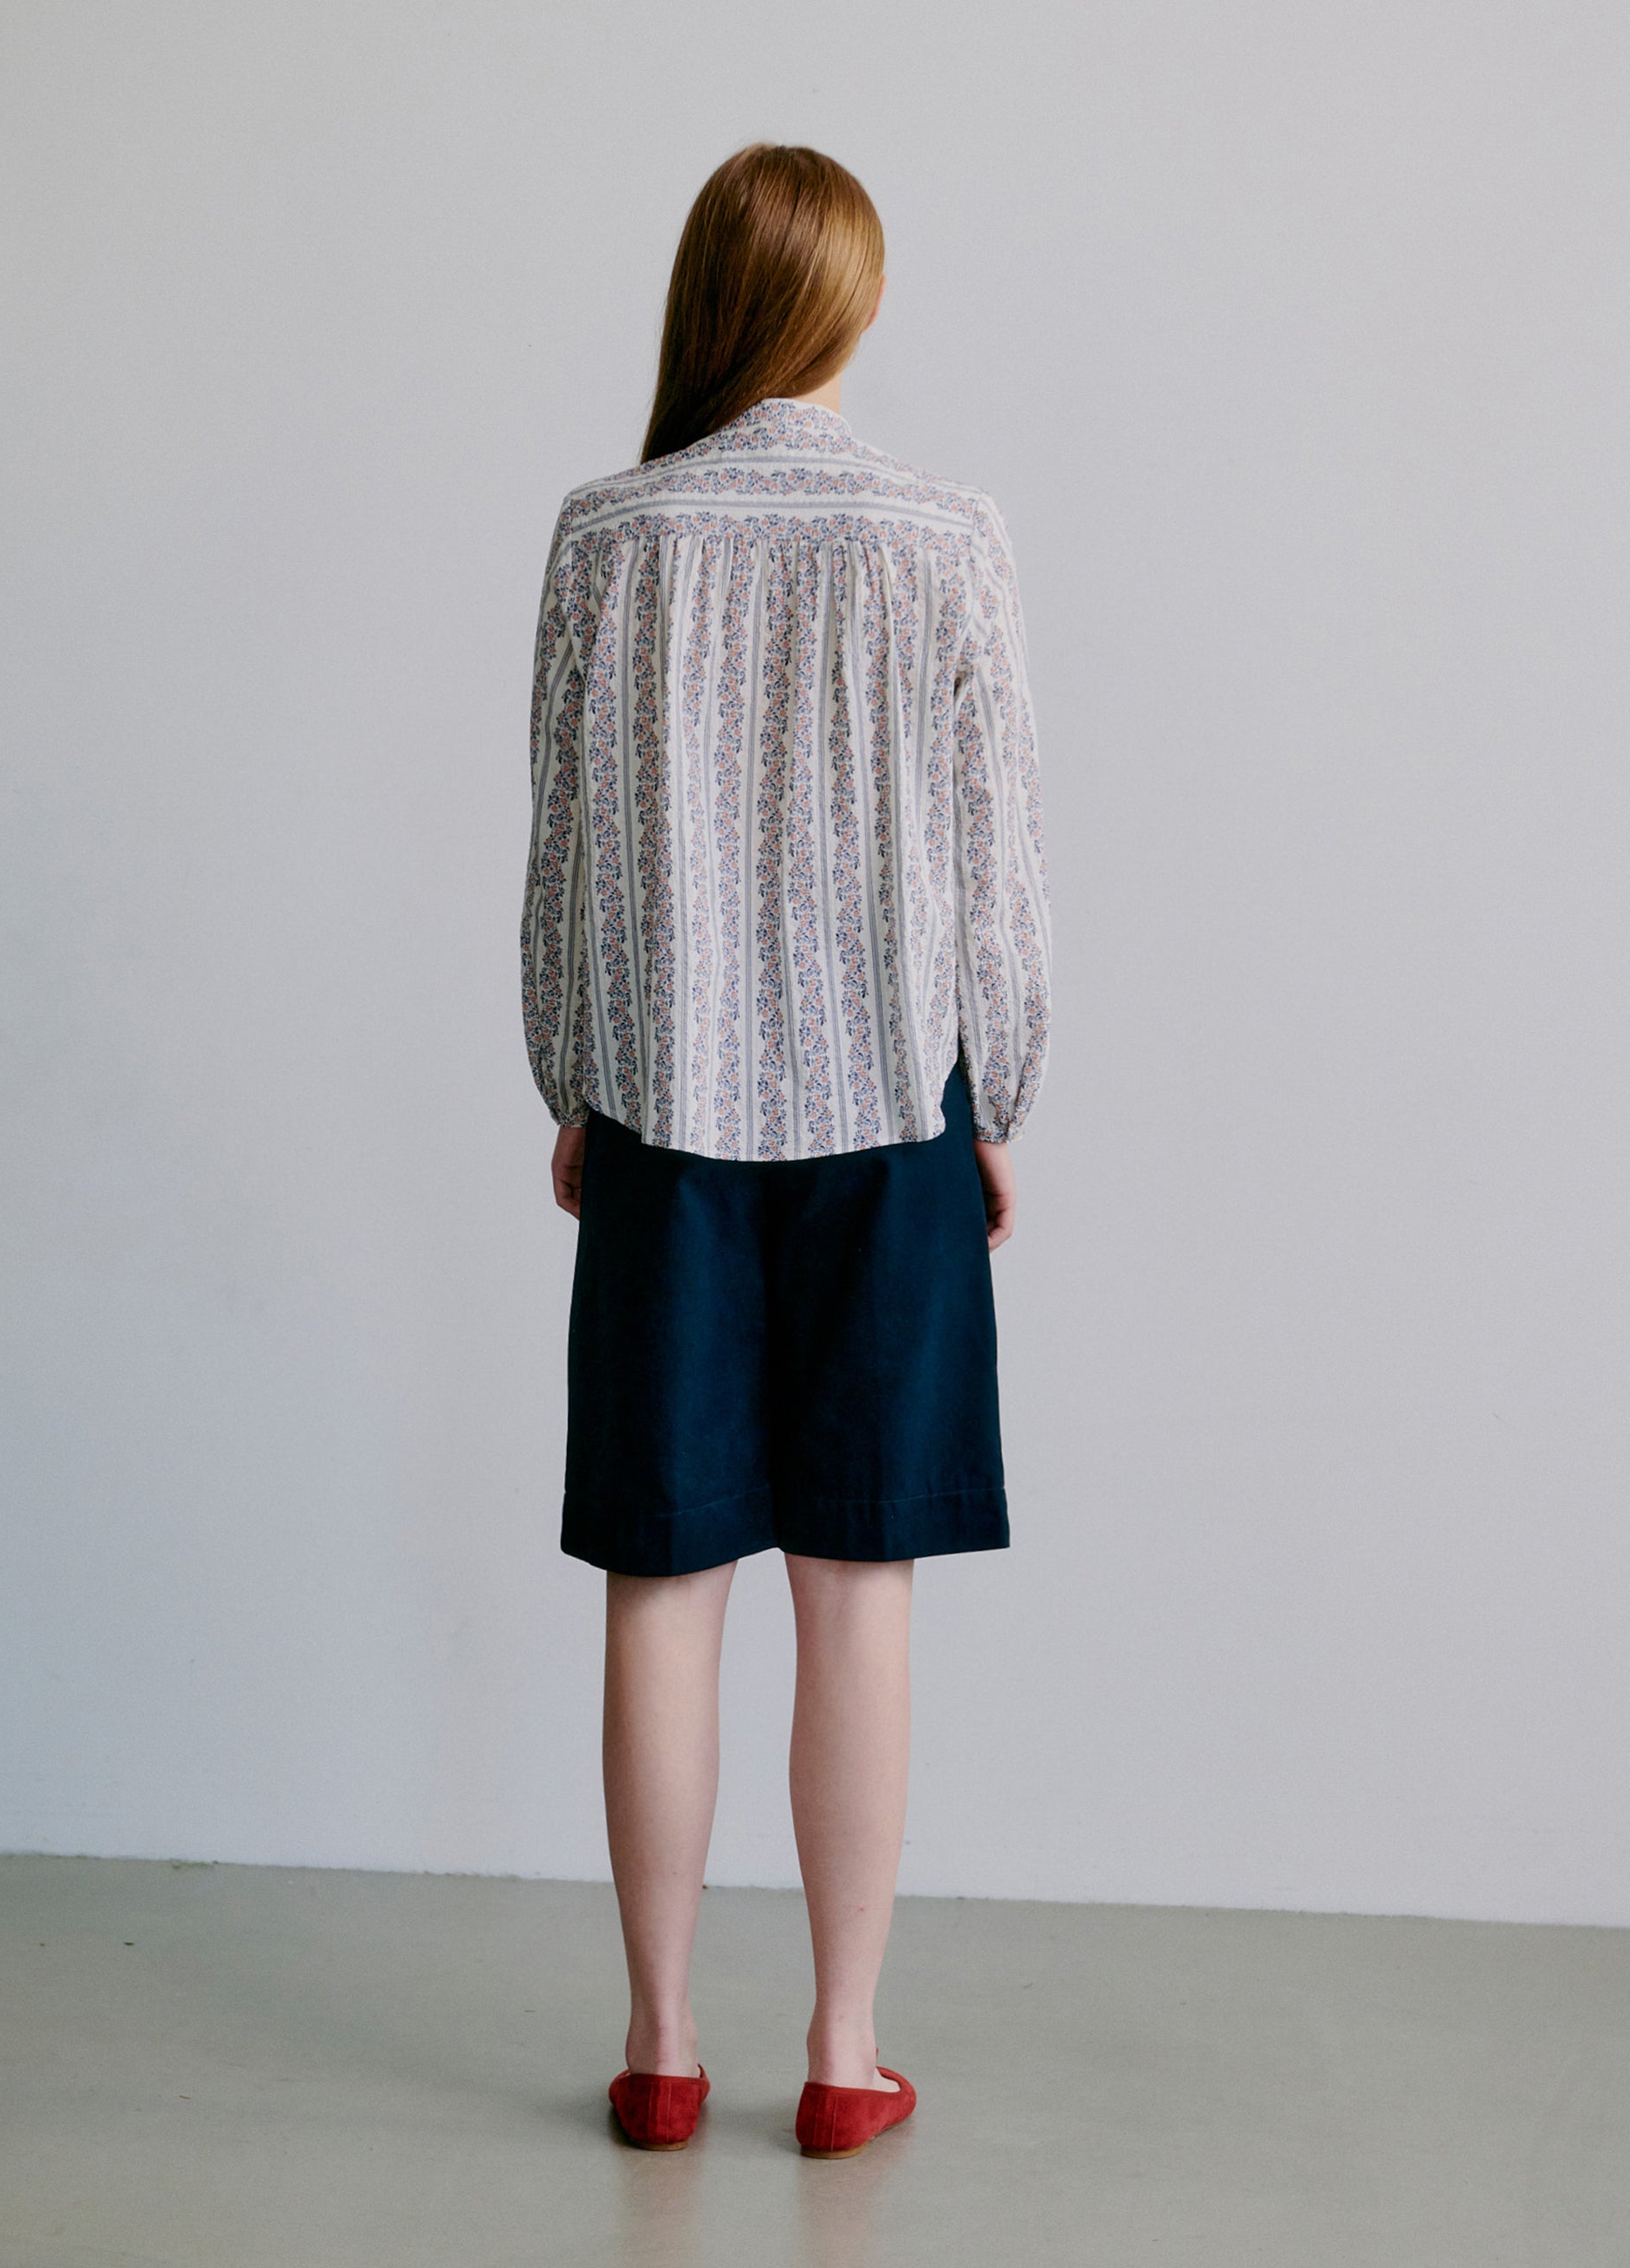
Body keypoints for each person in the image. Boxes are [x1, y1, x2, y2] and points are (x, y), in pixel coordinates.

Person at [520, 142, 1051, 2160]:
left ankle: (661, 2048)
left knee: (661, 1585)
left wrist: (572, 1074)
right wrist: (994, 1090)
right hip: (879, 1123)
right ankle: (840, 2055)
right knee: (860, 1585)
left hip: (664, 1112)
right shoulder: (943, 534)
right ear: (848, 301)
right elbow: (999, 861)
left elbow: (560, 845)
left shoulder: (605, 536)